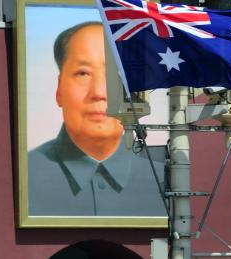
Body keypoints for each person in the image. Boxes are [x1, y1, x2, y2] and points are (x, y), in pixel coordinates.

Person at [28, 22, 166, 216]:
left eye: (115, 74)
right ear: (59, 88)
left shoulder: (165, 180)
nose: (99, 93)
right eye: (83, 73)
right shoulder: (26, 176)